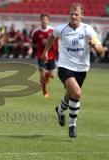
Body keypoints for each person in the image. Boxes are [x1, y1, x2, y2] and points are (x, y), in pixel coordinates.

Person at [42, 3, 105, 137]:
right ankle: (72, 125)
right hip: (65, 67)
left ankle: (59, 110)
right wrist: (46, 50)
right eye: (71, 13)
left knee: (70, 94)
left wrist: (94, 46)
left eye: (76, 14)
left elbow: (101, 50)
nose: (73, 16)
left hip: (81, 68)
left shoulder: (88, 30)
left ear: (82, 15)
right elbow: (53, 36)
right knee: (76, 93)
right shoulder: (62, 29)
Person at [32, 13, 58, 97]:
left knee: (52, 75)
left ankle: (47, 74)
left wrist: (58, 50)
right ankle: (44, 91)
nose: (44, 21)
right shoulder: (36, 32)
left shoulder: (53, 31)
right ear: (40, 20)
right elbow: (33, 43)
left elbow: (58, 41)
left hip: (51, 55)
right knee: (42, 73)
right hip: (41, 55)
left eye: (46, 19)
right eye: (43, 19)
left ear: (48, 21)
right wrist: (30, 49)